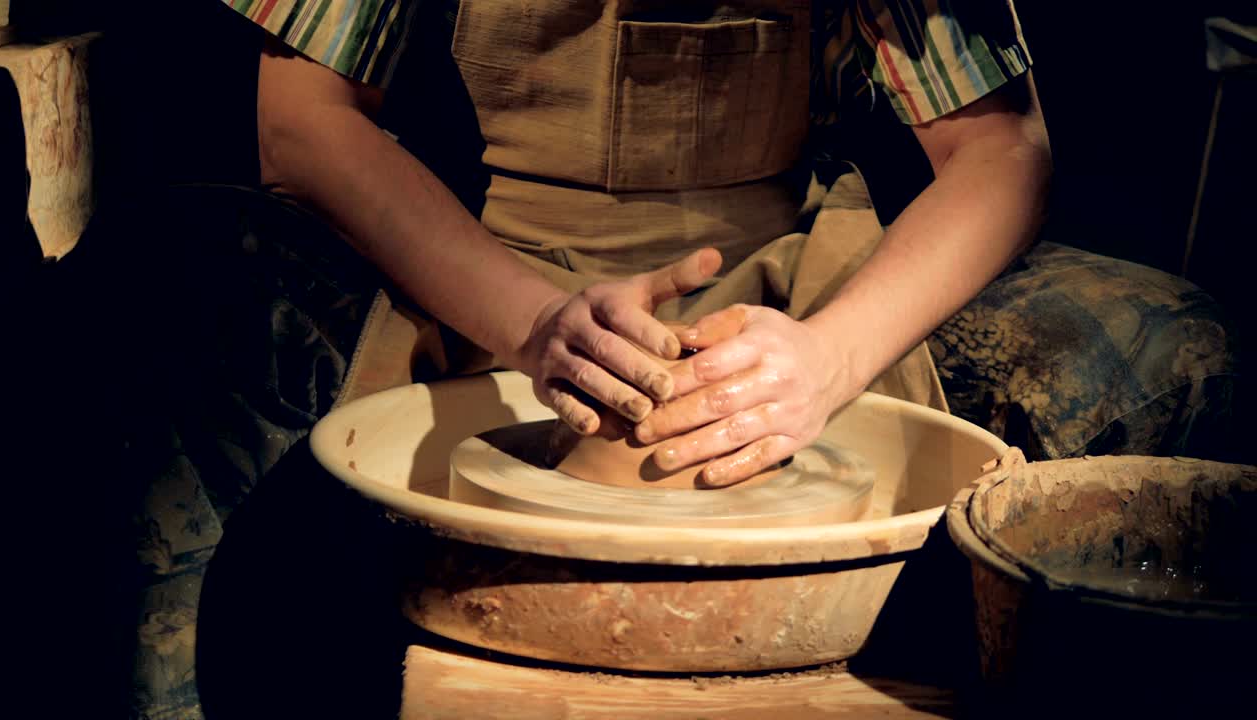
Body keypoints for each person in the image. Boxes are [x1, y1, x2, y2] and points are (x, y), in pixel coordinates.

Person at [91, 0, 1237, 716]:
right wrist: (535, 324)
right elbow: (300, 120)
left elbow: (1001, 150)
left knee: (1174, 340)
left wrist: (823, 365)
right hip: (493, 269)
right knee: (153, 293)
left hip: (787, 284)